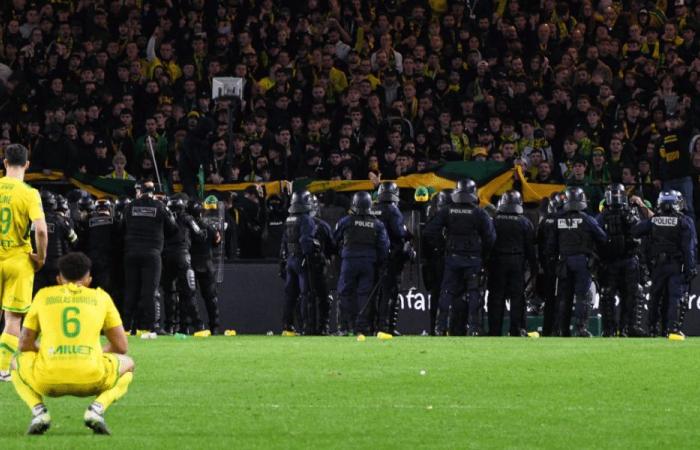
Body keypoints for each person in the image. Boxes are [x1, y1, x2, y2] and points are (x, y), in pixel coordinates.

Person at [10, 252, 134, 435]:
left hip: (47, 380)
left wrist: (45, 351)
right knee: (129, 364)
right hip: (92, 377)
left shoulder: (43, 296)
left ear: (59, 279)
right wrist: (95, 352)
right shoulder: (101, 298)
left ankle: (38, 412)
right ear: (89, 279)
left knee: (14, 362)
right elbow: (121, 347)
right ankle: (97, 409)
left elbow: (24, 344)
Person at [0, 144, 48, 382]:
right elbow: (40, 229)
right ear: (27, 165)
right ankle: (3, 369)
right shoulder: (29, 193)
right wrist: (41, 257)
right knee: (13, 318)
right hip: (19, 260)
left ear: (5, 162)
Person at [424, 179, 495, 336]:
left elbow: (429, 230)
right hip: (473, 259)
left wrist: (443, 246)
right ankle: (474, 328)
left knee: (446, 292)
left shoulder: (447, 210)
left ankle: (440, 327)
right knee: (474, 292)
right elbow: (490, 237)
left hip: (452, 257)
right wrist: (483, 254)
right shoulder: (480, 212)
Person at [632, 191, 697, 338]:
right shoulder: (684, 221)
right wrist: (690, 268)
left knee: (655, 297)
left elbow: (636, 231)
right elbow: (689, 248)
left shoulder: (655, 220)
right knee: (675, 297)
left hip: (658, 266)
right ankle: (673, 329)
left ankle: (652, 330)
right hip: (676, 265)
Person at [121, 181, 178, 336]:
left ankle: (126, 328)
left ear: (140, 191)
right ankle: (153, 327)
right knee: (150, 292)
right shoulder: (160, 206)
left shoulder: (130, 206)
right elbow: (173, 228)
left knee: (131, 291)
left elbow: (121, 227)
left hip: (131, 253)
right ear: (153, 191)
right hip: (152, 254)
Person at [549, 187, 607, 337]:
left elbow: (551, 244)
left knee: (564, 297)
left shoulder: (558, 219)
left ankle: (563, 330)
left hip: (563, 262)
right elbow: (602, 237)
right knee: (582, 296)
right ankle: (580, 329)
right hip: (582, 261)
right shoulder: (587, 219)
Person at [333, 191, 389, 335]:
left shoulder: (346, 221)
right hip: (368, 263)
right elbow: (384, 247)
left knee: (345, 292)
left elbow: (335, 240)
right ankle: (362, 327)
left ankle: (345, 326)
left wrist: (340, 252)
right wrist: (381, 263)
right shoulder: (377, 224)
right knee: (365, 295)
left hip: (349, 262)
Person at [596, 184, 644, 337]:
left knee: (631, 295)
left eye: (618, 194)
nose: (616, 197)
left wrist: (631, 218)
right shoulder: (603, 214)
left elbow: (640, 232)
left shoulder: (630, 211)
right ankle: (609, 329)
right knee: (607, 295)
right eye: (613, 194)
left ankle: (628, 328)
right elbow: (596, 234)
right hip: (610, 261)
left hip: (628, 259)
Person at [487, 191, 537, 336]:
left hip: (497, 263)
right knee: (517, 298)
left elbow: (488, 243)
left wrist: (486, 262)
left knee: (496, 298)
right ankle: (516, 329)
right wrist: (533, 266)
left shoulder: (494, 221)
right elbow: (530, 248)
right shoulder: (525, 222)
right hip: (517, 263)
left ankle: (494, 331)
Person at [161, 196, 206, 335]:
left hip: (166, 257)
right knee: (189, 291)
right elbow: (199, 235)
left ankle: (170, 326)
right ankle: (198, 326)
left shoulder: (165, 218)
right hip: (182, 256)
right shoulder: (187, 218)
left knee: (169, 293)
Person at [371, 181, 411, 335]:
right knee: (390, 291)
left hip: (373, 257)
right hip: (391, 257)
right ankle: (386, 326)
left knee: (375, 292)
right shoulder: (393, 210)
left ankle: (372, 326)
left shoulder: (373, 209)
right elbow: (400, 232)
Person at [279, 191, 316, 335]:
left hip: (290, 259)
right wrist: (309, 255)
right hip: (301, 259)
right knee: (305, 293)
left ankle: (287, 327)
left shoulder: (289, 219)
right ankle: (306, 327)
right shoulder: (306, 219)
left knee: (290, 295)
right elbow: (306, 240)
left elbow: (284, 242)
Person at [189, 198, 224, 335]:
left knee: (189, 297)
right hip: (207, 264)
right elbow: (217, 242)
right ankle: (214, 327)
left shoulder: (187, 226)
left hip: (191, 265)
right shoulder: (209, 227)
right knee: (211, 298)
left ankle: (192, 326)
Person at [33, 191, 77, 293]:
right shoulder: (61, 221)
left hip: (37, 264)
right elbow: (74, 240)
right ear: (53, 204)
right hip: (56, 265)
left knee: (37, 296)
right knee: (56, 296)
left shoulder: (33, 221)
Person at [422, 189, 452, 335]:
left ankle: (436, 328)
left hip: (436, 260)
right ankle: (446, 328)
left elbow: (425, 236)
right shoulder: (448, 218)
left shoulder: (434, 217)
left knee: (437, 294)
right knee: (447, 294)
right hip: (444, 260)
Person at [537, 192, 565, 336]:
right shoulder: (563, 219)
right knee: (561, 297)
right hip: (561, 263)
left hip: (548, 263)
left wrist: (542, 263)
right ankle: (558, 329)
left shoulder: (545, 221)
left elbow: (539, 243)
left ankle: (548, 329)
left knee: (550, 299)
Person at [307, 194, 334, 335]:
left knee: (306, 296)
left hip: (302, 266)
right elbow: (331, 246)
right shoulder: (323, 226)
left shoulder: (295, 222)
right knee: (323, 297)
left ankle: (307, 327)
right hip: (319, 265)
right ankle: (323, 328)